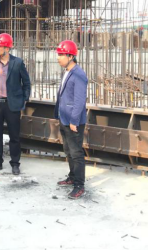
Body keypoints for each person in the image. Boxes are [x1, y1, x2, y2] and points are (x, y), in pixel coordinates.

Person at [0, 33, 31, 175]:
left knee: (14, 136)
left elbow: (26, 83)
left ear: (7, 48)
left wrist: (24, 99)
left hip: (12, 105)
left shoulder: (17, 63)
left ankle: (15, 163)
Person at [55, 40, 89, 200]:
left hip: (73, 121)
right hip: (64, 118)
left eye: (61, 55)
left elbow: (79, 101)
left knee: (76, 154)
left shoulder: (79, 74)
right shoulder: (67, 72)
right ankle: (72, 176)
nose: (58, 58)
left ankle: (79, 185)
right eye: (58, 54)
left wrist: (74, 121)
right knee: (68, 151)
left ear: (70, 56)